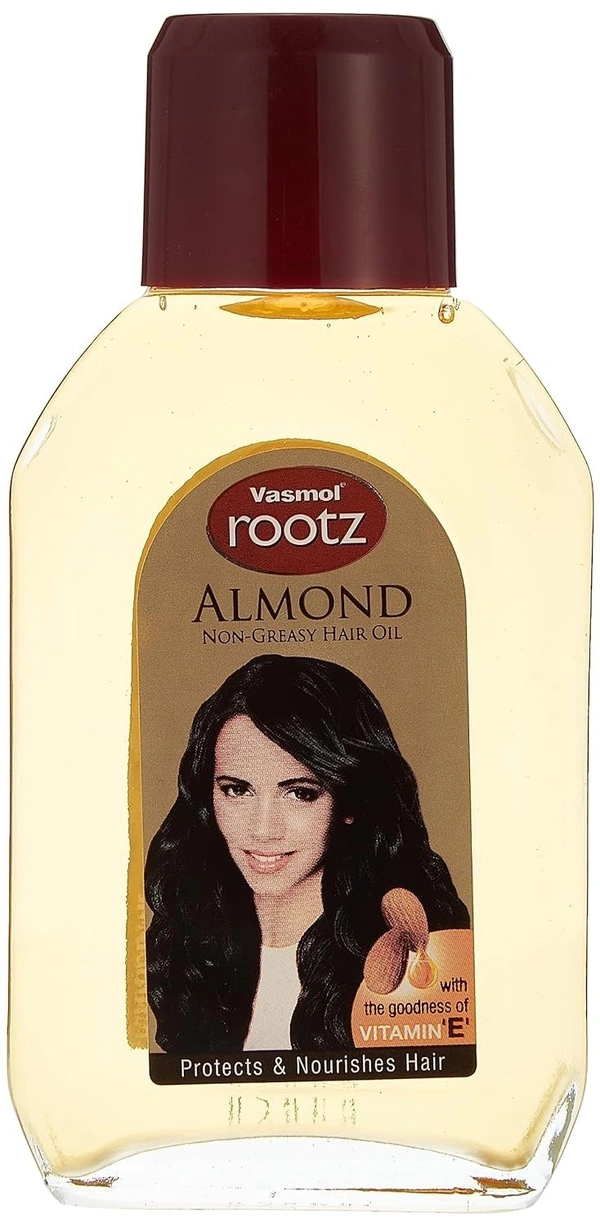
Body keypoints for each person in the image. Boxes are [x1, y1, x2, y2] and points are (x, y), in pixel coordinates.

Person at [145, 654, 470, 1054]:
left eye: (300, 793)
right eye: (237, 790)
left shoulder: (414, 955)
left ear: (351, 800)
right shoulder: (188, 949)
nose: (263, 829)